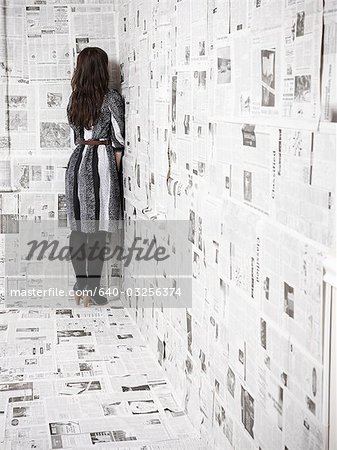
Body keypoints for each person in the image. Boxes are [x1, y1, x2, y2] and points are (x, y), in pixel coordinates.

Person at [65, 47, 125, 306]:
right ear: (101, 70)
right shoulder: (111, 97)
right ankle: (93, 289)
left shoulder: (75, 98)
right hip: (100, 162)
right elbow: (119, 137)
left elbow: (77, 136)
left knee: (78, 228)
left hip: (77, 163)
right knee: (98, 230)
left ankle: (81, 286)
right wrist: (116, 162)